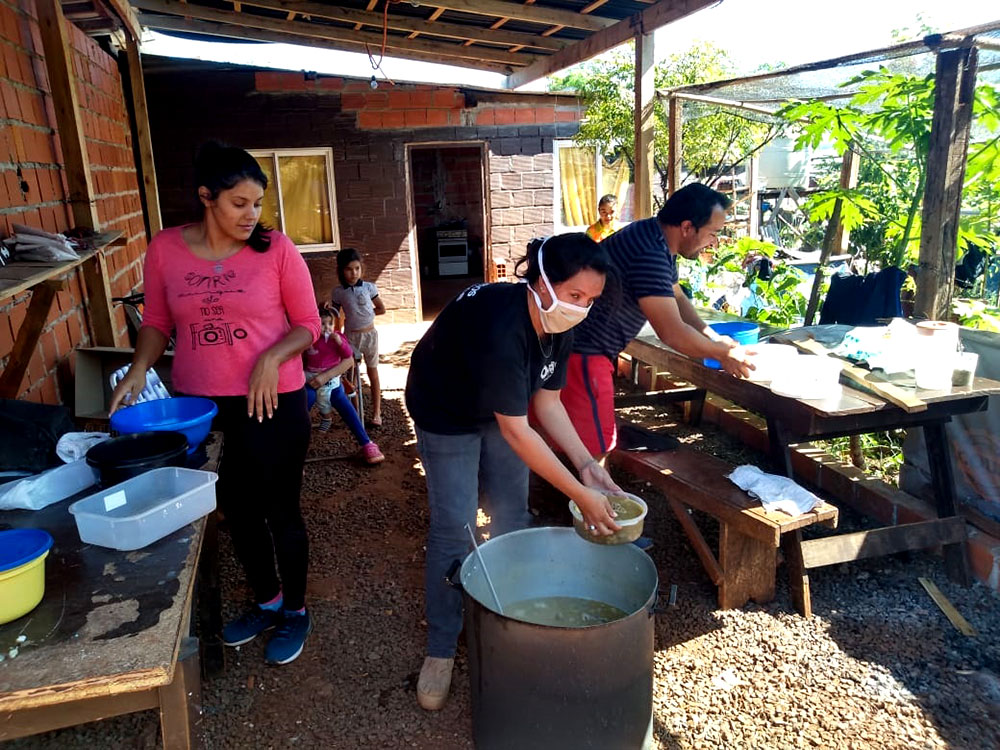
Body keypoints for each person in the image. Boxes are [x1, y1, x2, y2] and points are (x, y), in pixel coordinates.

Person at [110, 142, 320, 666]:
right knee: (236, 509)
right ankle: (267, 601)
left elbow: (308, 325)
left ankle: (295, 610)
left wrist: (272, 356)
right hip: (202, 405)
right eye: (239, 203)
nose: (252, 215)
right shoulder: (165, 249)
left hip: (273, 401)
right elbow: (157, 322)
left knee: (280, 509)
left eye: (257, 204)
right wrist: (138, 369)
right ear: (206, 197)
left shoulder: (277, 250)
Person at [405, 233, 624, 711]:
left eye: (590, 299)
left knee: (512, 511)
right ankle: (441, 646)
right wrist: (579, 495)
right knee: (455, 525)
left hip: (501, 407)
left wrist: (586, 465)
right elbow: (519, 434)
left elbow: (547, 403)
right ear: (542, 282)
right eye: (574, 295)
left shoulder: (560, 322)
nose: (581, 308)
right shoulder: (502, 327)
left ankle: (508, 609)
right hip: (444, 408)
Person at [563, 183, 751, 458]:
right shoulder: (649, 252)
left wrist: (714, 338)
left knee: (585, 442)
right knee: (595, 451)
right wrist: (722, 353)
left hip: (584, 351)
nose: (715, 242)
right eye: (713, 233)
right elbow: (672, 332)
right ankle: (592, 488)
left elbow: (676, 295)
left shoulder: (654, 236)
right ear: (687, 227)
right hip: (583, 354)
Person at [304, 307, 385, 465]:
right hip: (311, 381)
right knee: (302, 405)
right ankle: (294, 450)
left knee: (344, 404)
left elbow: (348, 356)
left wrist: (339, 342)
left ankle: (366, 442)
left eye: (330, 324)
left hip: (332, 383)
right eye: (322, 324)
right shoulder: (309, 339)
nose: (327, 328)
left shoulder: (338, 338)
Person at [331, 248, 386, 427]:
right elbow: (334, 315)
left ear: (361, 268)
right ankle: (355, 413)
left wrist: (367, 316)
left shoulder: (369, 288)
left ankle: (377, 412)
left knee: (373, 373)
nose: (353, 273)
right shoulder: (339, 292)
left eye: (357, 268)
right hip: (350, 338)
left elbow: (381, 309)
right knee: (351, 377)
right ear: (341, 270)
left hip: (370, 337)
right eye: (349, 269)